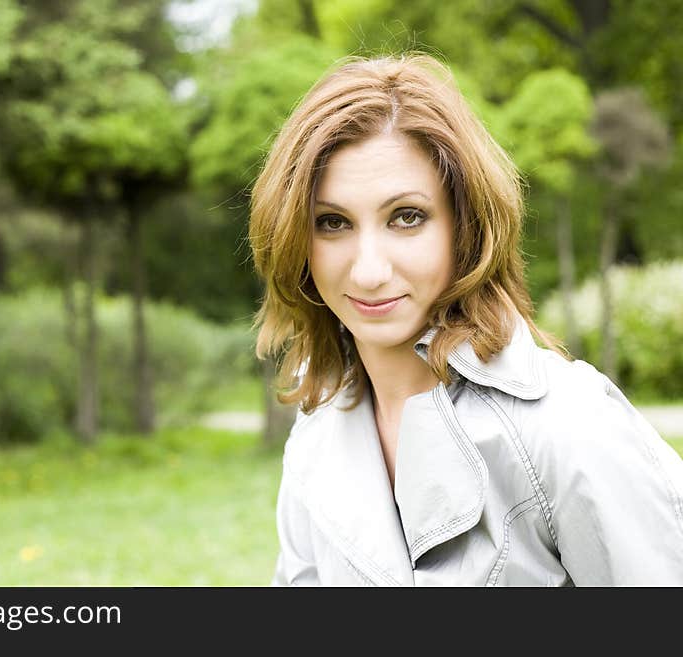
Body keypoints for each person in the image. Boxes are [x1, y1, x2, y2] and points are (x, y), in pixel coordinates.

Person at [248, 53, 683, 586]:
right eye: (332, 223)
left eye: (406, 217)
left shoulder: (569, 427)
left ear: (466, 226)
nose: (367, 270)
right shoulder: (317, 435)